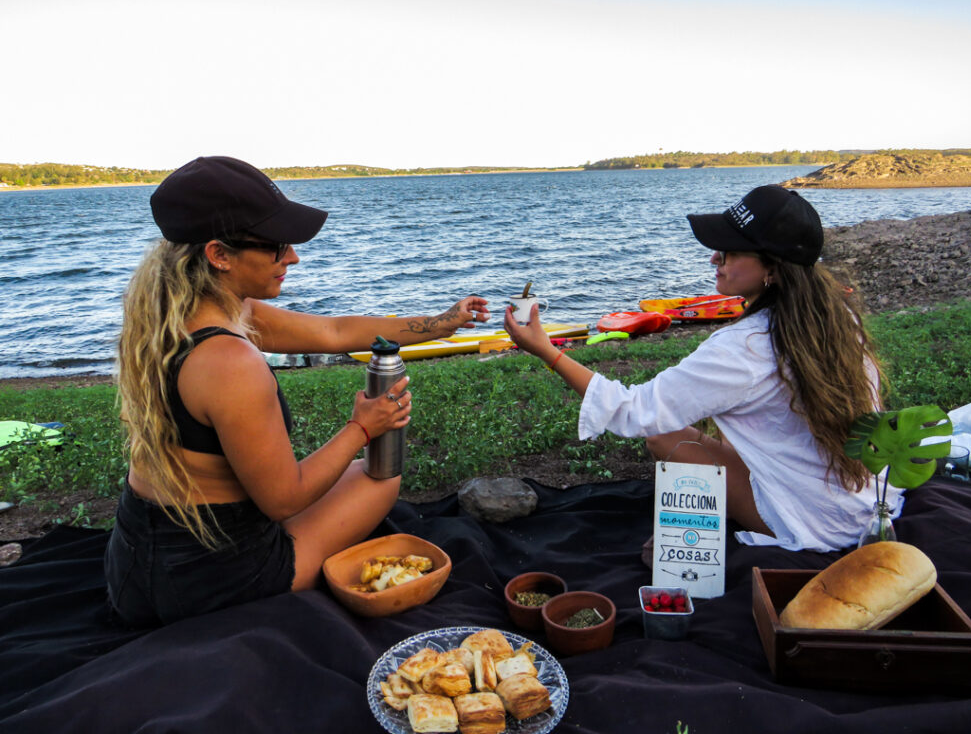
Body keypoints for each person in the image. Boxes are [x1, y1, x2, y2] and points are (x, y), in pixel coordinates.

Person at [105, 156, 490, 626]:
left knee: (357, 472)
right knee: (380, 474)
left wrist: (443, 323)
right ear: (218, 254)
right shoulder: (229, 361)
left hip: (134, 565)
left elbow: (332, 332)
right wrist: (362, 427)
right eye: (277, 245)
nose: (293, 257)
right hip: (209, 585)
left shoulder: (168, 314)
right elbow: (283, 502)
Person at [504, 185, 891, 552]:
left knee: (662, 434)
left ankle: (706, 530)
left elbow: (633, 411)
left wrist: (546, 351)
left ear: (771, 267)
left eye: (727, 251)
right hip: (859, 503)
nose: (713, 259)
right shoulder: (831, 314)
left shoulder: (745, 347)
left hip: (813, 523)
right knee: (668, 436)